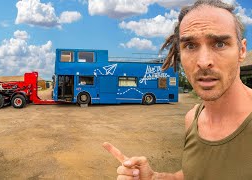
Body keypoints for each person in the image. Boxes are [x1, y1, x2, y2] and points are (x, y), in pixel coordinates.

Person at [103, 0, 252, 179]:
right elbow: (193, 174)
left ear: (242, 50)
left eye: (219, 44)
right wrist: (154, 178)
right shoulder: (192, 119)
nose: (203, 61)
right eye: (190, 46)